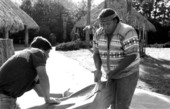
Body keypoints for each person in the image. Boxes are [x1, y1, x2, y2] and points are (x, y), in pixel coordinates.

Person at [92, 8, 140, 109]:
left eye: (107, 24)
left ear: (115, 21)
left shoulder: (127, 31)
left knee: (122, 105)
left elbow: (132, 55)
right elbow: (96, 53)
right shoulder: (98, 33)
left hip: (127, 74)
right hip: (111, 74)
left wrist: (115, 72)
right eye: (102, 24)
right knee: (112, 103)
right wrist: (98, 69)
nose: (104, 27)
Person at [0, 36, 60, 109]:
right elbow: (43, 77)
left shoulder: (29, 67)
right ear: (41, 49)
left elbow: (41, 93)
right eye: (48, 52)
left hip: (7, 97)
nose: (48, 56)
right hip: (4, 97)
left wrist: (62, 95)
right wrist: (47, 100)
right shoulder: (38, 52)